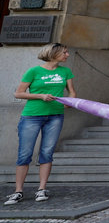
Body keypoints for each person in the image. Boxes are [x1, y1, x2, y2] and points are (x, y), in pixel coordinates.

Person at [5, 43, 76, 205]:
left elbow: (72, 91)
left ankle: (41, 189)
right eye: (65, 52)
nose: (67, 55)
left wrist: (70, 101)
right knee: (25, 154)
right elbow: (18, 93)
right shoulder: (34, 71)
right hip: (32, 116)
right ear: (54, 53)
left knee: (47, 152)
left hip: (56, 116)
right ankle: (18, 191)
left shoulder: (66, 71)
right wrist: (41, 96)